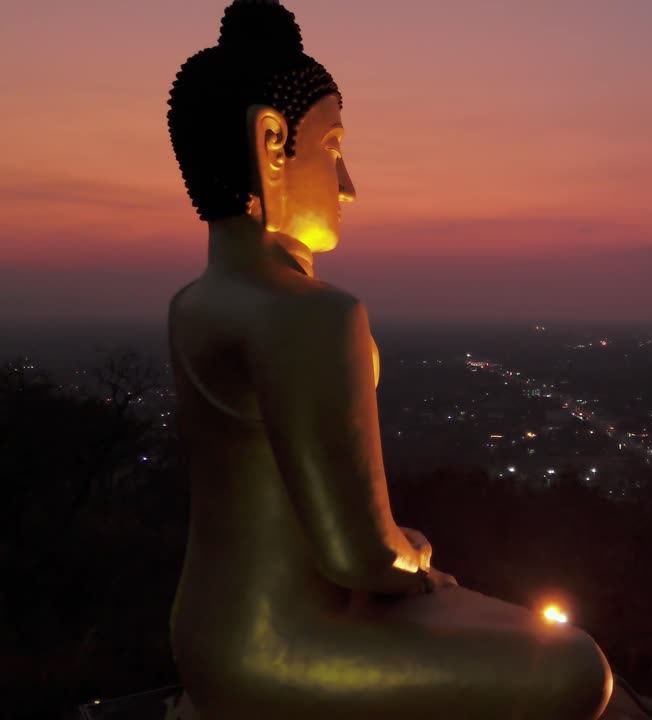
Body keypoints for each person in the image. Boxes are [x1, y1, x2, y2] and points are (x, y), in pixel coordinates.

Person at [164, 2, 611, 718]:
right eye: (333, 148)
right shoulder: (311, 314)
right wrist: (415, 555)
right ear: (272, 142)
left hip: (204, 634)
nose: (347, 185)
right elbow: (358, 558)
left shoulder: (195, 303)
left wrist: (397, 551)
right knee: (576, 668)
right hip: (283, 645)